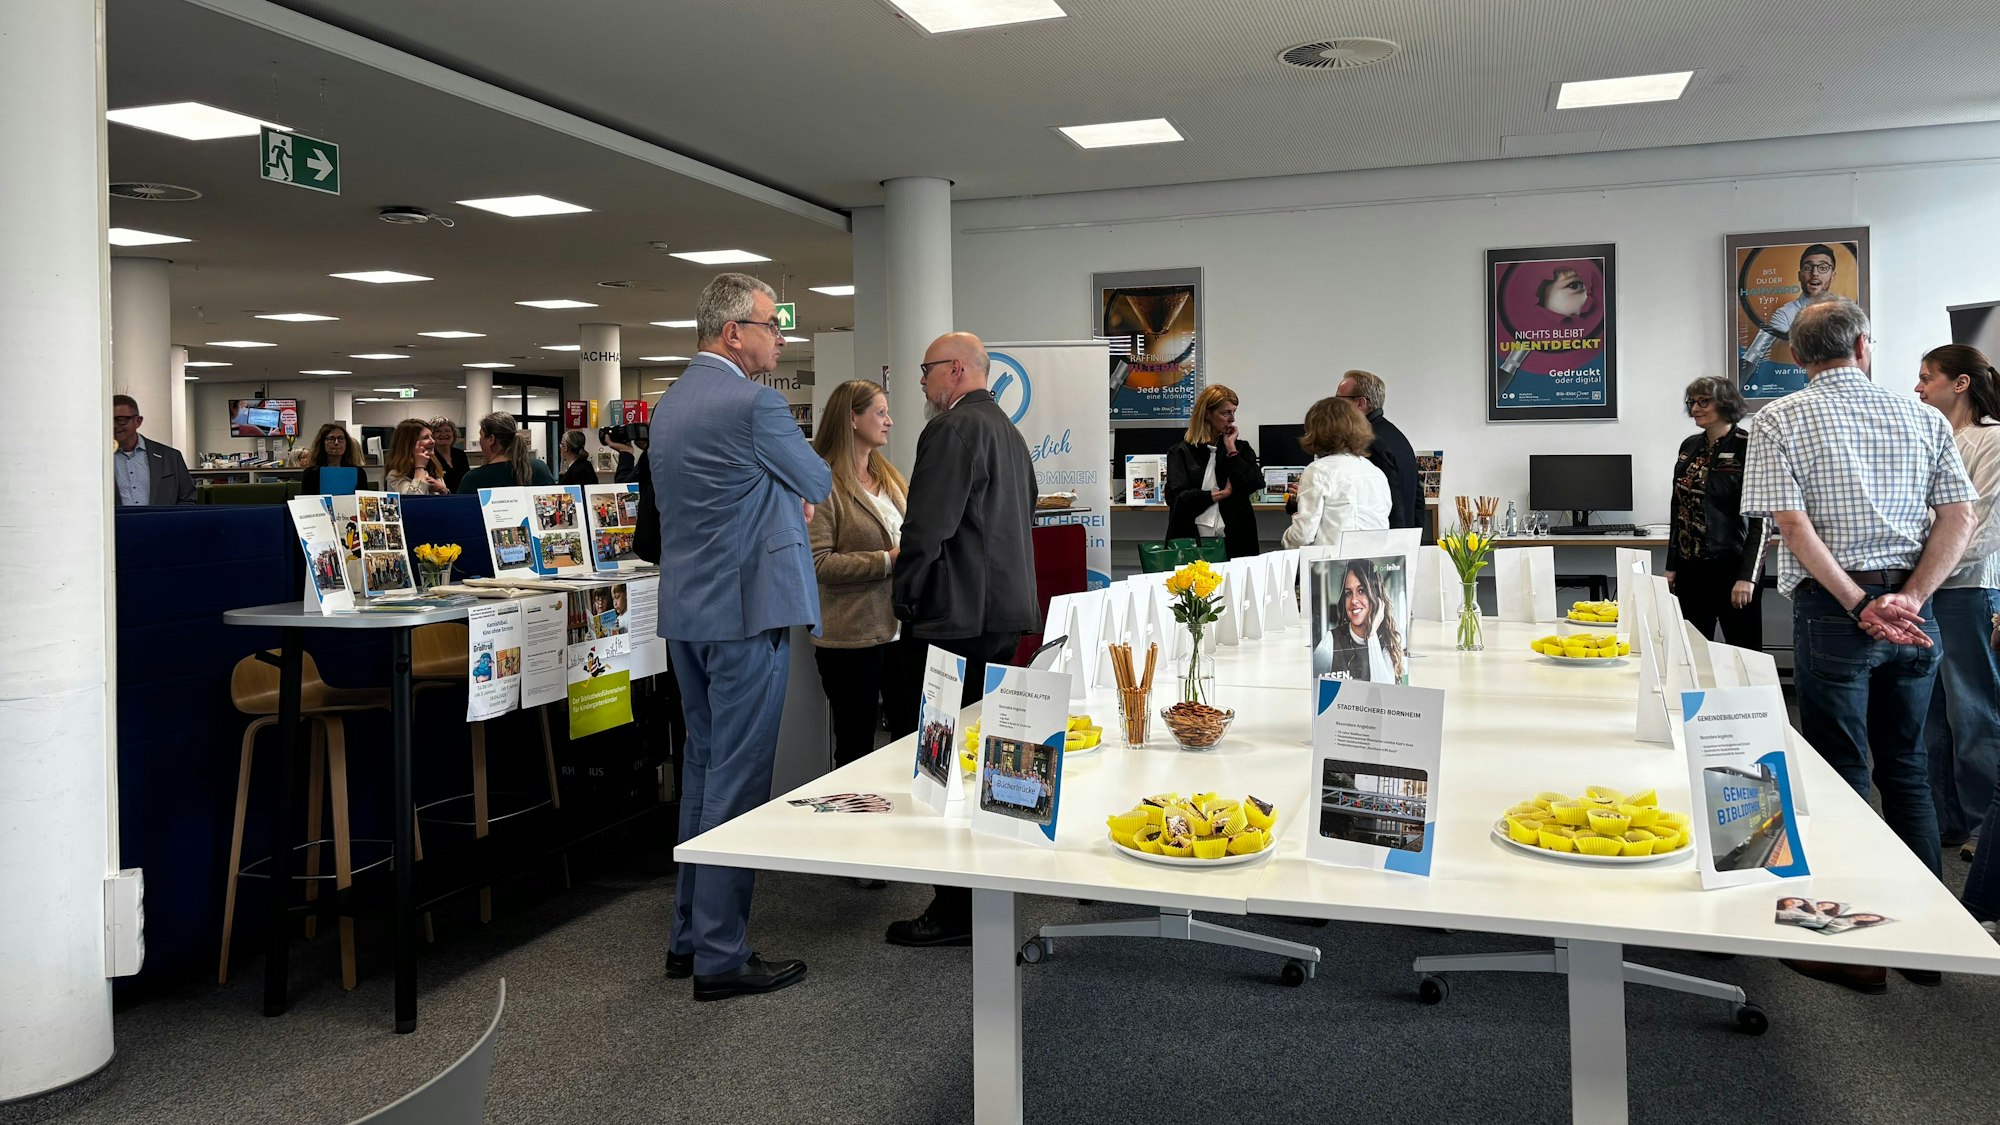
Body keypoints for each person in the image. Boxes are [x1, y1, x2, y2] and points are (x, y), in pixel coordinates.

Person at [1741, 296, 1977, 994]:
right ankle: (1928, 942)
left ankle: (1854, 947)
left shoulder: (1777, 418)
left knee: (1842, 773)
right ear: (1865, 347)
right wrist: (1912, 599)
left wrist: (1861, 603)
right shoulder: (1924, 416)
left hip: (1835, 613)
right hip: (1914, 613)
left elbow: (1791, 524)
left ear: (1794, 356)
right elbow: (1959, 515)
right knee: (1906, 767)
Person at [651, 272, 830, 1000]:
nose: (778, 337)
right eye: (771, 324)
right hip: (747, 612)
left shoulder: (670, 405)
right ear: (733, 332)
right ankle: (722, 955)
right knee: (738, 781)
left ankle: (690, 933)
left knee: (701, 769)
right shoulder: (756, 403)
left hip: (687, 614)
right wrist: (789, 490)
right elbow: (817, 477)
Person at [888, 331, 1038, 948]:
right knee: (985, 761)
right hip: (1001, 616)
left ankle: (954, 909)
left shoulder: (950, 432)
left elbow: (927, 529)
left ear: (954, 371)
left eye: (925, 371)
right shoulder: (1009, 432)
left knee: (942, 762)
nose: (921, 384)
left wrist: (904, 595)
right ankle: (983, 894)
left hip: (954, 620)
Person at [1913, 344, 2000, 863]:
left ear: (1961, 383)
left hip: (1967, 590)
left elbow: (1984, 528)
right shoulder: (1935, 438)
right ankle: (1944, 820)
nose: (1919, 388)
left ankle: (1985, 827)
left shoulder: (1991, 441)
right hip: (1928, 591)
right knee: (1929, 716)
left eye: (1927, 378)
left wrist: (1925, 574)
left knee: (1973, 712)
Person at [808, 379, 919, 773]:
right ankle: (853, 829)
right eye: (880, 412)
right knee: (856, 746)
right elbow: (819, 564)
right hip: (850, 639)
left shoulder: (889, 475)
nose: (889, 421)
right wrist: (887, 560)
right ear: (852, 418)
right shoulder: (821, 483)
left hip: (901, 632)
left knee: (911, 739)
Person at [1665, 376, 1768, 650]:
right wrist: (1672, 565)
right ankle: (1697, 695)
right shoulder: (1689, 446)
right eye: (1692, 402)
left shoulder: (1750, 446)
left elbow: (1762, 520)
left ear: (1725, 403)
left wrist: (1748, 577)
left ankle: (1748, 695)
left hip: (1731, 566)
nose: (1695, 408)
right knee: (1691, 650)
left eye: (1703, 401)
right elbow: (1679, 508)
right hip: (1691, 568)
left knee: (1744, 651)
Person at [1163, 385, 1262, 559]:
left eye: (1234, 412)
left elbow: (1253, 484)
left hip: (1236, 538)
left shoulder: (1240, 448)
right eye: (1225, 413)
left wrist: (1231, 449)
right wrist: (1218, 495)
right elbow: (1177, 498)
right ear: (1207, 414)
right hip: (1191, 537)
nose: (1232, 419)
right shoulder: (1180, 452)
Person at [1282, 396, 1390, 549]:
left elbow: (1303, 535)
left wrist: (1286, 540)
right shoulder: (1375, 472)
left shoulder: (1318, 470)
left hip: (1332, 566)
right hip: (1373, 562)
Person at [1334, 370, 1422, 533]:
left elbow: (1383, 500)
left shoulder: (1368, 442)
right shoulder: (1396, 435)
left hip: (1384, 543)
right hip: (1403, 537)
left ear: (1361, 403)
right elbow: (1417, 497)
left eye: (1340, 400)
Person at [1740, 244, 1839, 385]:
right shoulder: (1785, 314)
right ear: (1800, 275)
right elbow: (1754, 354)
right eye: (1808, 267)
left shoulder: (1846, 312)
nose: (1815, 273)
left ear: (1833, 275)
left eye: (1823, 268)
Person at [1313, 560, 1406, 684]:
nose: (1354, 600)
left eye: (1361, 591)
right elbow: (1312, 688)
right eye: (1348, 593)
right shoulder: (1331, 640)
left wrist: (1372, 634)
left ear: (1376, 596)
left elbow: (1384, 694)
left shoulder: (1387, 642)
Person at [111, 394, 195, 505]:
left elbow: (188, 498)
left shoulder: (169, 457)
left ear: (138, 421)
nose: (114, 425)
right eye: (109, 420)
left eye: (121, 420)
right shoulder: (98, 459)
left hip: (161, 521)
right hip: (118, 522)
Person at [456, 413, 558, 493]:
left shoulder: (475, 478)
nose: (480, 441)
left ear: (491, 439)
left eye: (481, 436)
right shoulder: (540, 468)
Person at [299, 422, 372, 494]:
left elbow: (362, 501)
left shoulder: (359, 473)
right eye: (331, 439)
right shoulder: (311, 473)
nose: (337, 442)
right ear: (322, 443)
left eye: (341, 438)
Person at [382, 419, 449, 496]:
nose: (433, 441)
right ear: (410, 444)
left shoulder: (432, 469)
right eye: (426, 438)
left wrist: (444, 490)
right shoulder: (395, 475)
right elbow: (414, 499)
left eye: (432, 436)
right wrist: (420, 467)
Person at [427, 417, 469, 492]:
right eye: (438, 431)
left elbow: (467, 480)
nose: (443, 434)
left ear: (453, 434)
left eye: (447, 431)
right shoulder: (429, 457)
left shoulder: (460, 455)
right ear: (431, 436)